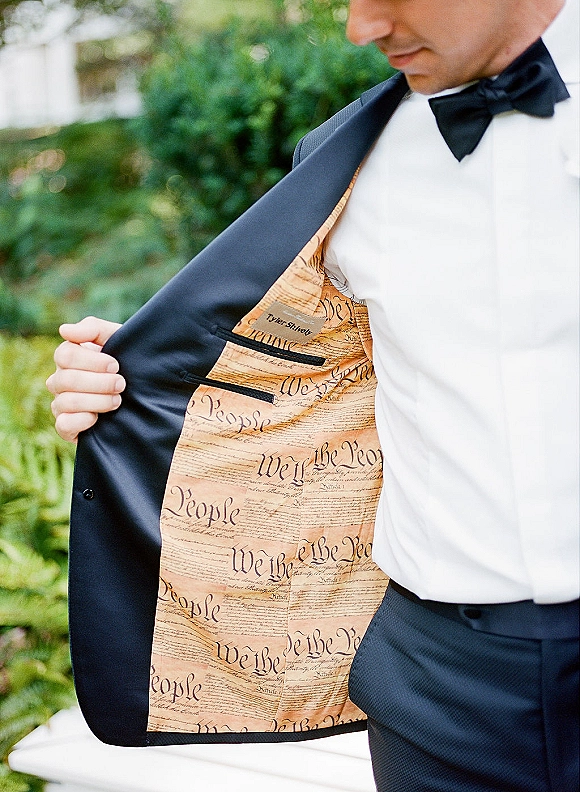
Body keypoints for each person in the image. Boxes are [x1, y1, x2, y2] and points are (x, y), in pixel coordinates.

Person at [47, 0, 579, 790]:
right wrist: (138, 376)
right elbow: (305, 360)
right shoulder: (353, 165)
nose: (364, 28)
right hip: (436, 692)